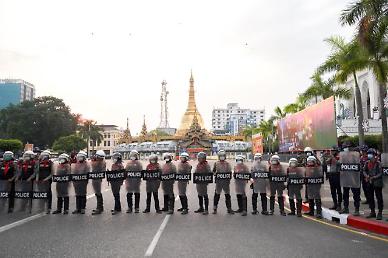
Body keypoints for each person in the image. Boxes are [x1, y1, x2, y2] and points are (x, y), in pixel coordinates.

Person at [339, 144, 361, 216]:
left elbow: (359, 167)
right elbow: (341, 167)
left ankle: (357, 209)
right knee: (345, 194)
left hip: (354, 178)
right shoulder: (343, 157)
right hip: (346, 178)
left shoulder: (356, 157)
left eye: (346, 148)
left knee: (356, 195)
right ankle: (346, 208)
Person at [363, 148, 384, 220]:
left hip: (377, 182)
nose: (369, 155)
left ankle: (380, 213)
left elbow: (381, 173)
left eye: (370, 154)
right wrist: (367, 176)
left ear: (374, 155)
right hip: (369, 182)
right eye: (368, 153)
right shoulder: (367, 163)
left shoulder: (378, 163)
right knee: (370, 197)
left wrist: (374, 177)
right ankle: (372, 212)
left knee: (379, 198)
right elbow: (364, 171)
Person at [212, 150, 234, 214]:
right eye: (221, 156)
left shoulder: (227, 164)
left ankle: (229, 208)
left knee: (227, 195)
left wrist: (228, 177)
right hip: (218, 182)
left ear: (225, 156)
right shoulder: (216, 163)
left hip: (226, 182)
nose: (222, 157)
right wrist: (215, 174)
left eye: (223, 156)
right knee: (217, 195)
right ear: (219, 156)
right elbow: (213, 171)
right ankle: (215, 208)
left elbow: (230, 172)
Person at [91, 150, 106, 215]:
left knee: (98, 193)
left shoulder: (101, 162)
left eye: (101, 157)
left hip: (97, 179)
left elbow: (100, 169)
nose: (100, 158)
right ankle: (101, 207)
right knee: (97, 193)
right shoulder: (96, 161)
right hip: (94, 178)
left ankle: (99, 208)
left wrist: (94, 161)